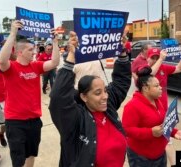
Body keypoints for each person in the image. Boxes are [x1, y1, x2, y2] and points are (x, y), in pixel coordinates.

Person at [49, 31, 132, 167]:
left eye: (105, 91)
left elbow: (121, 83)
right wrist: (71, 56)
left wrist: (121, 51)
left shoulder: (108, 105)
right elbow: (58, 98)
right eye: (98, 93)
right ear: (84, 97)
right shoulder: (74, 118)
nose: (105, 96)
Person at [0, 20, 60, 167]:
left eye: (33, 49)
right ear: (19, 52)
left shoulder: (36, 66)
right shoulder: (10, 68)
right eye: (30, 50)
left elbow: (55, 62)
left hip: (34, 120)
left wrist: (55, 42)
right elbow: (1, 60)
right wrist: (13, 33)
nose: (34, 52)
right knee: (18, 159)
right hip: (15, 121)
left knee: (31, 154)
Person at [122, 66, 181, 167]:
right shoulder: (132, 106)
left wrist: (174, 132)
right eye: (156, 86)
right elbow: (127, 130)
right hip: (141, 157)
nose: (161, 87)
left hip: (160, 153)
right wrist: (150, 132)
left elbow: (162, 122)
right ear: (145, 88)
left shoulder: (157, 101)